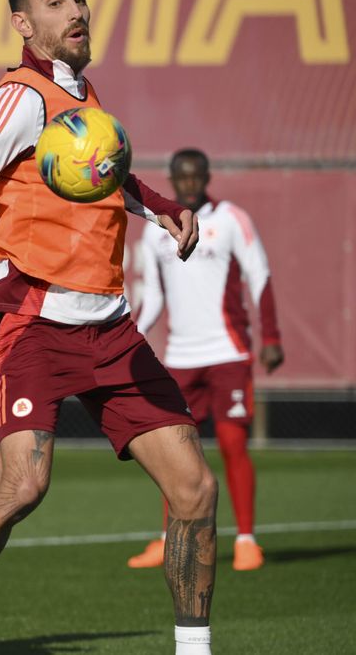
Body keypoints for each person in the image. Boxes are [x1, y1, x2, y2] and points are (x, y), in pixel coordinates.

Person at [0, 0, 219, 655]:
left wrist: (161, 208)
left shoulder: (82, 95)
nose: (75, 12)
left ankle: (195, 650)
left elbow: (105, 172)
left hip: (111, 329)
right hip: (35, 327)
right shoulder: (21, 98)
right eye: (54, 1)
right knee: (22, 487)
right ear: (23, 23)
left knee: (194, 490)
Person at [128, 148, 284, 572]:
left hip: (228, 354)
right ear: (173, 179)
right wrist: (131, 339)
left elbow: (260, 274)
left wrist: (270, 336)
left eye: (196, 176)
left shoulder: (232, 218)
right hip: (180, 358)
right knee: (173, 452)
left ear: (207, 176)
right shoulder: (154, 230)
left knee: (233, 445)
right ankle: (167, 539)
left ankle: (247, 540)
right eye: (182, 177)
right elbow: (154, 297)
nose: (189, 184)